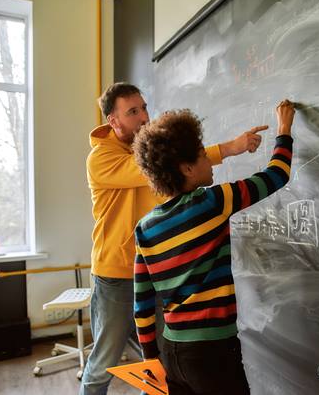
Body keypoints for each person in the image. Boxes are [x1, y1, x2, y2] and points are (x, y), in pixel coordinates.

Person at [82, 82, 266, 395]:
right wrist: (229, 148)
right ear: (113, 121)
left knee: (156, 363)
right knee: (103, 362)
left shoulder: (146, 147)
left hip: (155, 272)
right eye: (133, 111)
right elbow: (147, 167)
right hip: (115, 274)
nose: (143, 117)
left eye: (143, 107)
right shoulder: (101, 158)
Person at [132, 99, 295, 395]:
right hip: (212, 353)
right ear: (186, 168)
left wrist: (150, 359)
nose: (209, 161)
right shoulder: (211, 202)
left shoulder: (145, 228)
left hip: (171, 352)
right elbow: (276, 176)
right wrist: (284, 129)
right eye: (202, 155)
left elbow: (142, 307)